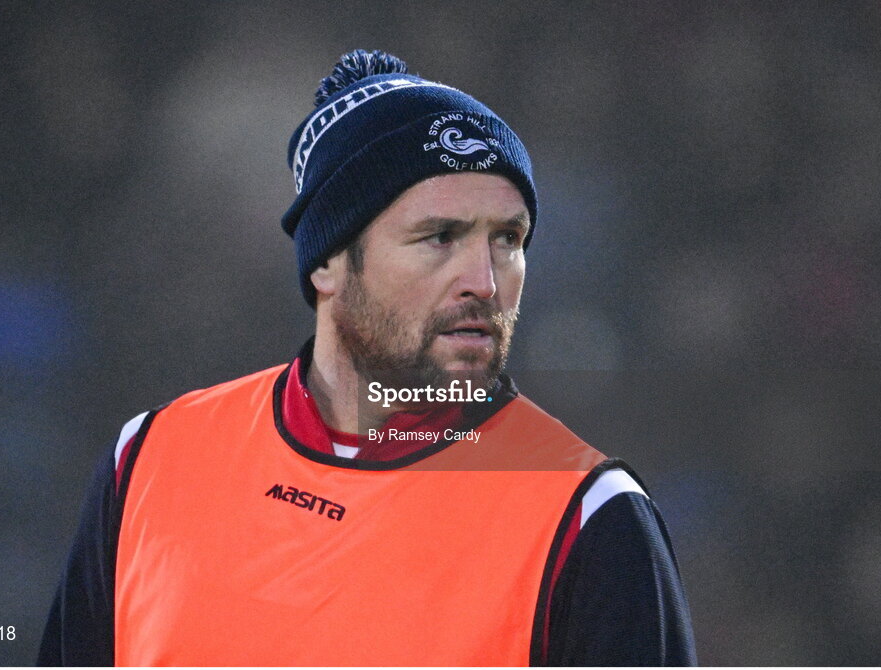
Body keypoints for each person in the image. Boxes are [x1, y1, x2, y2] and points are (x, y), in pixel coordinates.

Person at [38, 49, 696, 666]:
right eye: (438, 237)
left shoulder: (589, 517)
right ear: (328, 263)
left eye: (508, 239)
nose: (485, 283)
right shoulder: (150, 463)